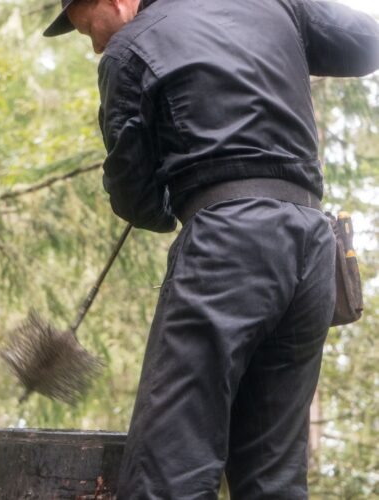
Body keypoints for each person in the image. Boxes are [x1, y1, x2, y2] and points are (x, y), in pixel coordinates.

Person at [43, 1, 379, 498]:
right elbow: (365, 42)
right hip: (311, 252)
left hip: (228, 249)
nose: (96, 44)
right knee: (274, 480)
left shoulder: (129, 51)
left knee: (167, 475)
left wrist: (169, 197)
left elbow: (137, 201)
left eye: (90, 28)